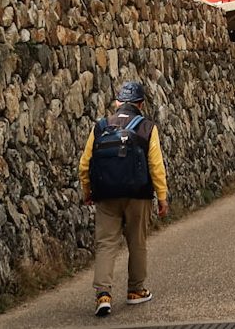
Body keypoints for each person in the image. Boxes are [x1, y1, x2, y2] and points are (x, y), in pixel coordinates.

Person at [79, 80, 169, 318]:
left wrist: (87, 191)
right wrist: (162, 197)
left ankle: (103, 295)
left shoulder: (100, 126)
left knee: (106, 243)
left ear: (118, 102)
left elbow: (84, 163)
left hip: (106, 194)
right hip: (138, 195)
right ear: (140, 104)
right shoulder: (147, 127)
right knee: (136, 241)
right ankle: (136, 291)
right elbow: (156, 166)